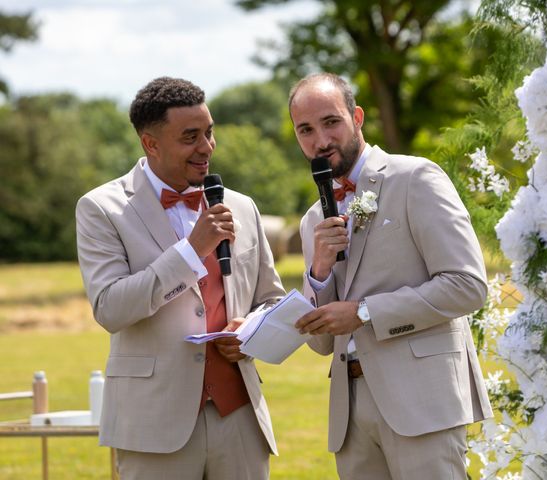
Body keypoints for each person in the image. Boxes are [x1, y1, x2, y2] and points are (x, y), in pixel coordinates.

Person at [76, 76, 285, 480]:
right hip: (153, 422)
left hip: (239, 415)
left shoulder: (242, 206)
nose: (206, 148)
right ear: (150, 143)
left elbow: (270, 300)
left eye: (209, 133)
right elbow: (111, 308)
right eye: (190, 137)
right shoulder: (100, 209)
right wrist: (191, 251)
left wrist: (252, 330)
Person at [290, 73, 493, 480]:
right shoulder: (313, 220)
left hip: (422, 401)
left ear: (357, 117)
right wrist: (319, 271)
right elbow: (321, 344)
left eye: (331, 122)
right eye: (306, 130)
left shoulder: (415, 178)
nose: (320, 140)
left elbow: (467, 285)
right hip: (349, 415)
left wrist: (364, 313)